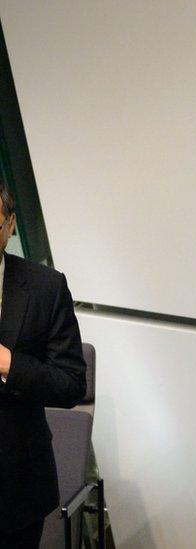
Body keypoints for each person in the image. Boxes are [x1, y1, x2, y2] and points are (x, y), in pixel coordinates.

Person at [0, 185, 87, 547]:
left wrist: (9, 364)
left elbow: (71, 383)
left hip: (15, 491)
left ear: (10, 224)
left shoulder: (45, 287)